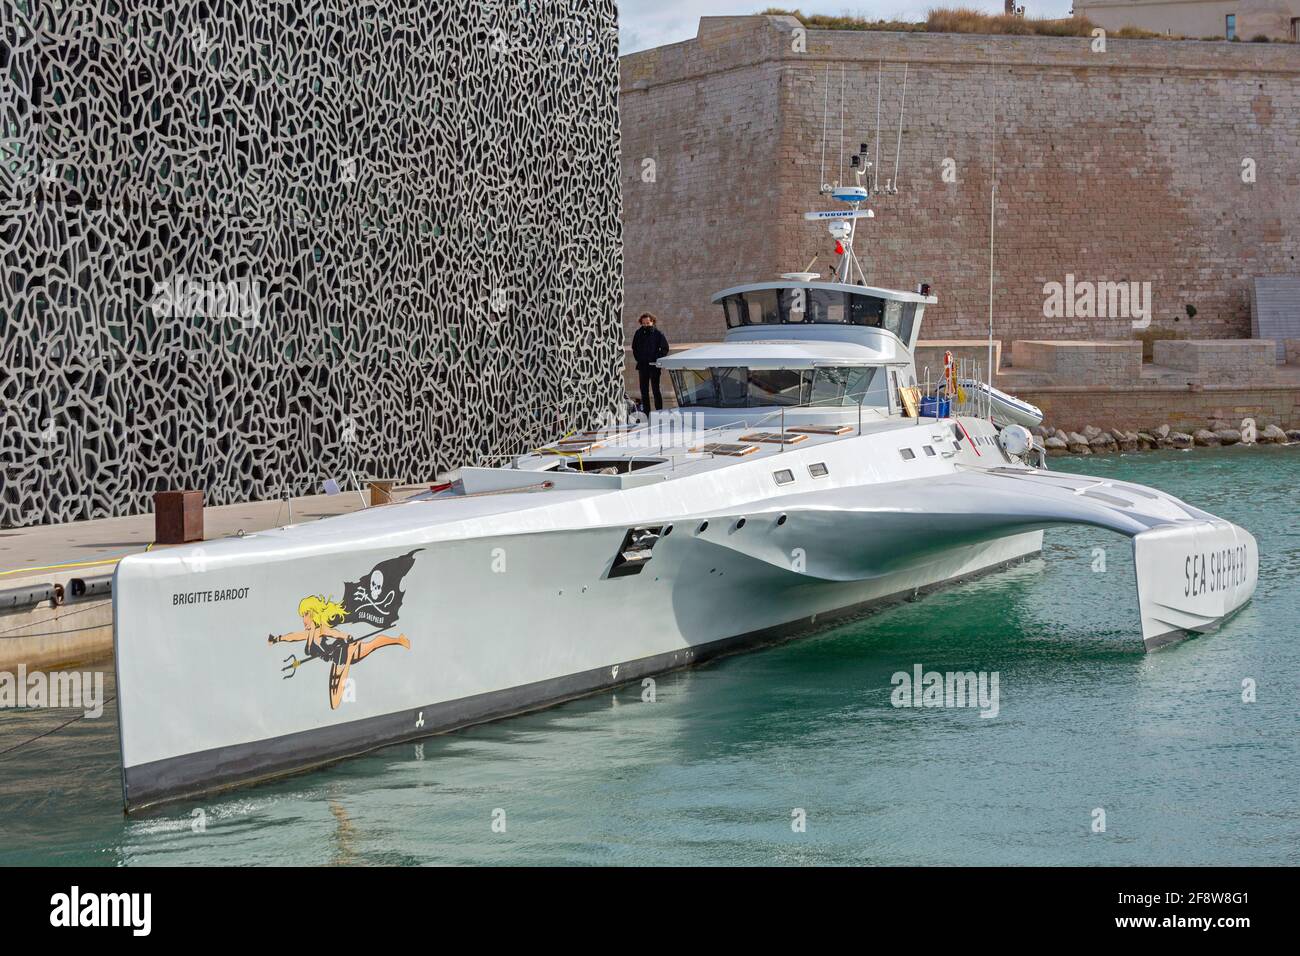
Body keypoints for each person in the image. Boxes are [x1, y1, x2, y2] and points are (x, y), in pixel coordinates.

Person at [632, 312, 670, 416]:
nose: (645, 325)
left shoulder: (658, 334)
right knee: (644, 392)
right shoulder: (638, 333)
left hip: (653, 366)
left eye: (647, 323)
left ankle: (659, 413)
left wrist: (656, 358)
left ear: (652, 322)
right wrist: (639, 359)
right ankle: (646, 414)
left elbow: (665, 348)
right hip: (642, 366)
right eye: (643, 323)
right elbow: (634, 348)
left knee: (655, 390)